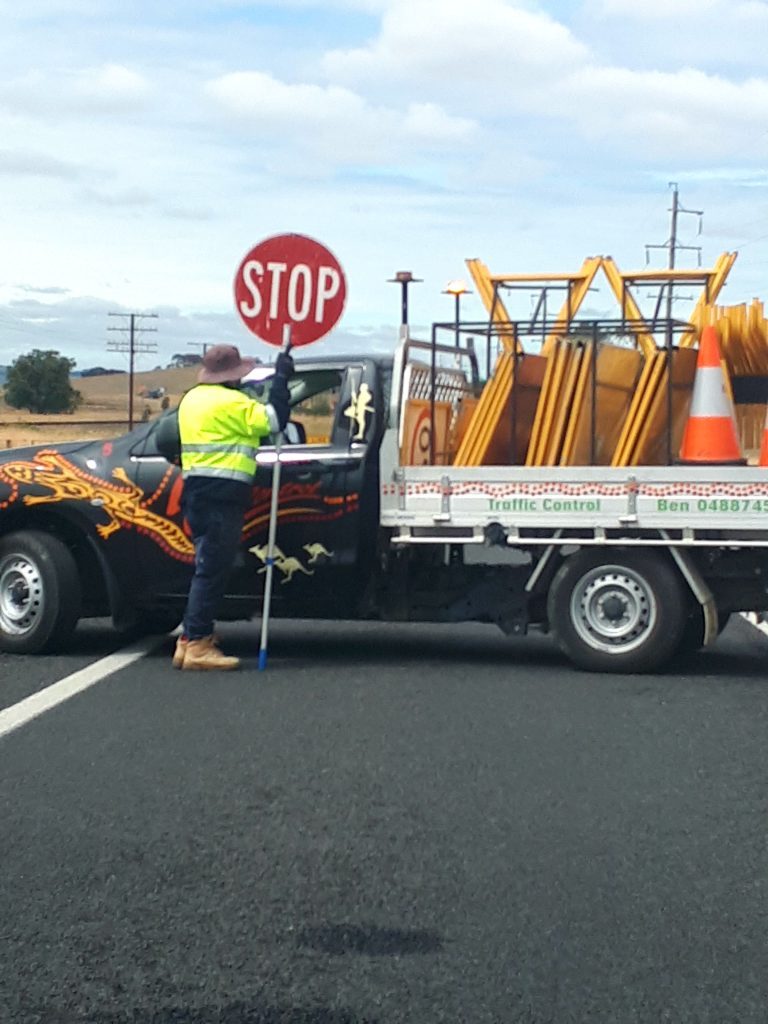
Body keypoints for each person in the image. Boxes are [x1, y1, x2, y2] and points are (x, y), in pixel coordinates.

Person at [173, 343, 293, 671]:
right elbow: (274, 420)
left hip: (196, 491)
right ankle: (197, 643)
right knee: (212, 569)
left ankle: (189, 640)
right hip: (222, 496)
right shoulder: (235, 403)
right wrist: (281, 380)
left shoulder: (192, 400)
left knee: (205, 566)